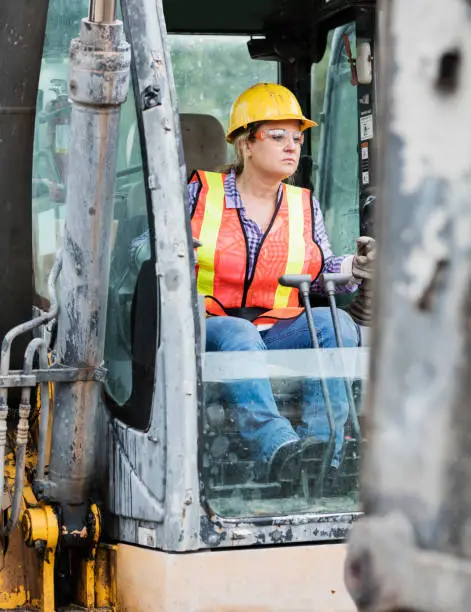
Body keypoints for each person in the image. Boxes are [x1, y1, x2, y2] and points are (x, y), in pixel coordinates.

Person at [190, 82, 375, 484]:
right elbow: (143, 248)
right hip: (210, 324)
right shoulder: (201, 192)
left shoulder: (303, 203)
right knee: (240, 334)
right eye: (277, 136)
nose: (292, 146)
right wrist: (174, 250)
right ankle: (278, 447)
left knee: (338, 325)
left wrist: (356, 267)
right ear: (246, 144)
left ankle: (324, 453)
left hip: (276, 326)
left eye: (297, 137)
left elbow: (322, 268)